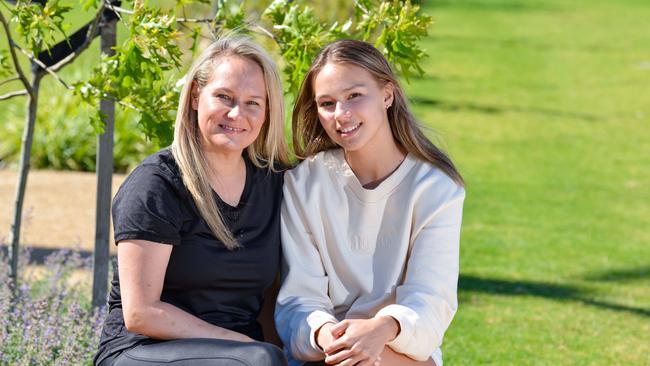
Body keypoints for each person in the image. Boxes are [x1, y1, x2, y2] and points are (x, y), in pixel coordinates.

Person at [94, 35, 289, 366]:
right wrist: (242, 344)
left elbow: (273, 296)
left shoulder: (274, 182)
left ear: (267, 112)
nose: (237, 113)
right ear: (196, 97)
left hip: (243, 355)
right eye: (223, 97)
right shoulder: (158, 184)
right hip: (144, 350)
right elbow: (142, 312)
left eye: (253, 102)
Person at [275, 39, 465, 366]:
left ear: (387, 95)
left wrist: (381, 328)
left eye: (354, 96)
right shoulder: (303, 185)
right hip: (325, 351)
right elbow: (299, 299)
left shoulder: (435, 189)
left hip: (400, 349)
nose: (341, 114)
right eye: (327, 103)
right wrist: (326, 334)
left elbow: (431, 298)